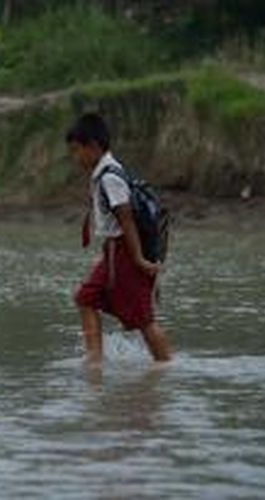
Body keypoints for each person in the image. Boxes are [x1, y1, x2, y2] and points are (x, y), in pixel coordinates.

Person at [66, 112, 171, 364]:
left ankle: (166, 366)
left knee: (144, 319)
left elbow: (126, 220)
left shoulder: (110, 177)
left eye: (76, 150)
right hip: (113, 251)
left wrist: (138, 259)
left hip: (124, 252)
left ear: (92, 146)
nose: (75, 157)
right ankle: (95, 362)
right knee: (86, 298)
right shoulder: (107, 172)